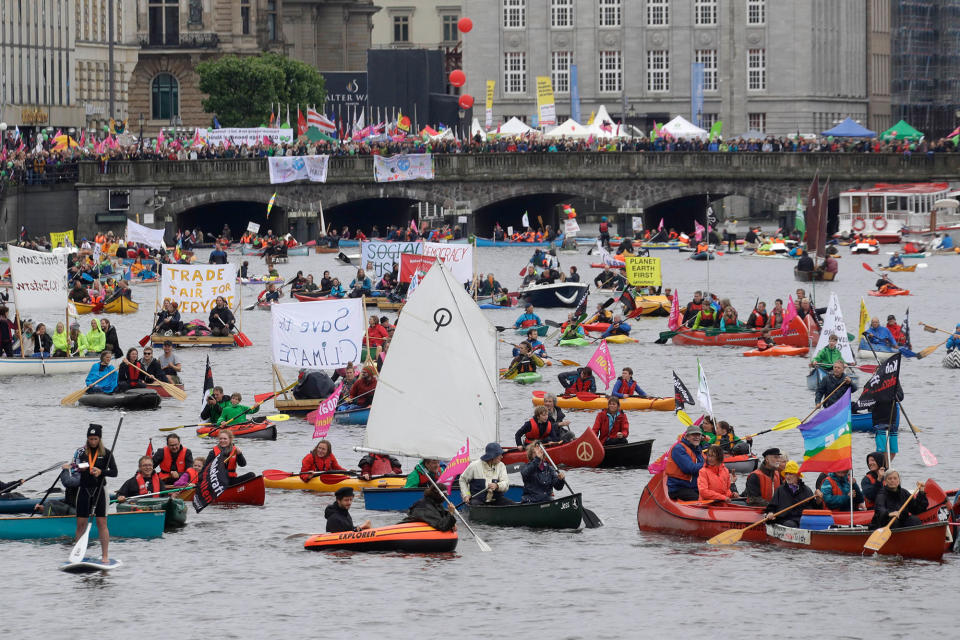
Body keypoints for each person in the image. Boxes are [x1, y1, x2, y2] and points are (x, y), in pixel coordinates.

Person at [71, 423, 118, 563]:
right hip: (84, 489)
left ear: (99, 439)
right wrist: (81, 468)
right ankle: (79, 554)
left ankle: (105, 556)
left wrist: (101, 472)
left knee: (101, 523)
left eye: (95, 439)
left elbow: (114, 472)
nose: (92, 442)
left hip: (99, 491)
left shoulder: (107, 453)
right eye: (90, 439)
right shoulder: (81, 452)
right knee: (81, 524)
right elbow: (72, 468)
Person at [764, 461, 824, 527]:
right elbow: (771, 507)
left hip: (803, 520)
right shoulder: (780, 490)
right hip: (785, 520)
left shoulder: (806, 490)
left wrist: (819, 500)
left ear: (797, 475)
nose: (787, 477)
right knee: (790, 524)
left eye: (791, 474)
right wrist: (770, 513)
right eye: (786, 474)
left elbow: (815, 509)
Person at [665, 425, 705, 501]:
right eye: (693, 435)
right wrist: (709, 464)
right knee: (700, 500)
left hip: (694, 487)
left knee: (713, 496)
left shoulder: (698, 450)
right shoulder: (679, 449)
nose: (696, 437)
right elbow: (689, 468)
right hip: (679, 488)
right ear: (687, 437)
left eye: (698, 435)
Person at [872, 383, 903, 461]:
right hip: (880, 419)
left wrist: (895, 394)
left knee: (893, 451)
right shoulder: (877, 379)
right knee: (882, 451)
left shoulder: (895, 379)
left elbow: (901, 396)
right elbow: (873, 396)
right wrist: (889, 393)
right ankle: (882, 469)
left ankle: (885, 469)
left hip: (892, 419)